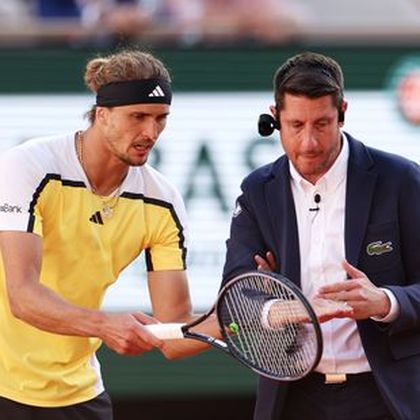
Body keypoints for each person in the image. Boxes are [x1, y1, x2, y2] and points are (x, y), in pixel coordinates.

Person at [0, 49, 217, 419]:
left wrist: (240, 319)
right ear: (102, 115)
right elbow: (23, 296)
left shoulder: (162, 201)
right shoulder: (28, 167)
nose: (150, 132)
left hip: (80, 395)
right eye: (138, 117)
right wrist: (106, 325)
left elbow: (173, 335)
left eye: (160, 119)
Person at [222, 51, 420, 420]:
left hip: (386, 395)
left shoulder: (402, 180)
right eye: (296, 125)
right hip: (292, 396)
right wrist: (282, 308)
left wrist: (386, 302)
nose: (309, 142)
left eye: (322, 124)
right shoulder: (257, 190)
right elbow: (234, 293)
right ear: (275, 118)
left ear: (342, 112)